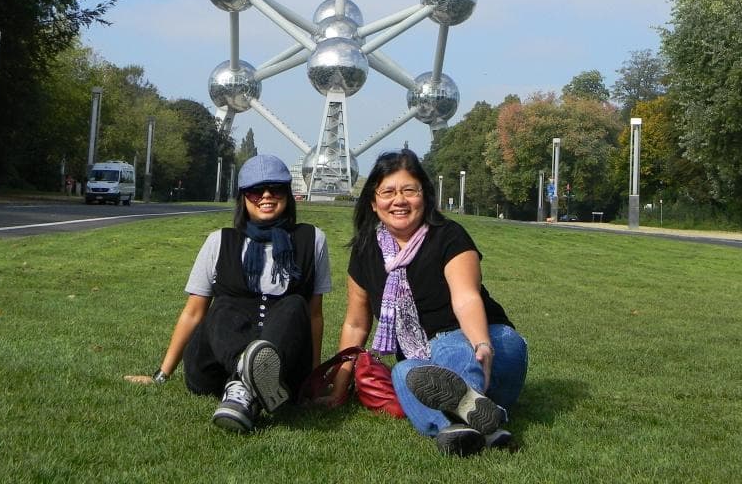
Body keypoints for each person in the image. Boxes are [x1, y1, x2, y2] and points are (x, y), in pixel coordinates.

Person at [328, 149, 528, 456]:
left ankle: (463, 407)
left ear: (425, 196)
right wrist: (339, 388)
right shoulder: (365, 252)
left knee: (451, 346)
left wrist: (482, 345)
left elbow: (465, 298)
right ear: (373, 201)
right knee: (403, 373)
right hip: (421, 360)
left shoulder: (448, 236)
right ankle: (481, 424)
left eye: (410, 190)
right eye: (388, 192)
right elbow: (355, 324)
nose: (399, 200)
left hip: (489, 344)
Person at [126, 154, 332, 432]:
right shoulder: (219, 242)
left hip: (284, 367)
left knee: (295, 304)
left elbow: (314, 316)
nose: (267, 196)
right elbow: (193, 312)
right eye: (256, 190)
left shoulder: (312, 240)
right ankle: (247, 374)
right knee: (222, 307)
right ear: (243, 197)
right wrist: (162, 374)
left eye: (276, 188)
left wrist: (313, 380)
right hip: (214, 367)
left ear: (288, 194)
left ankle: (245, 390)